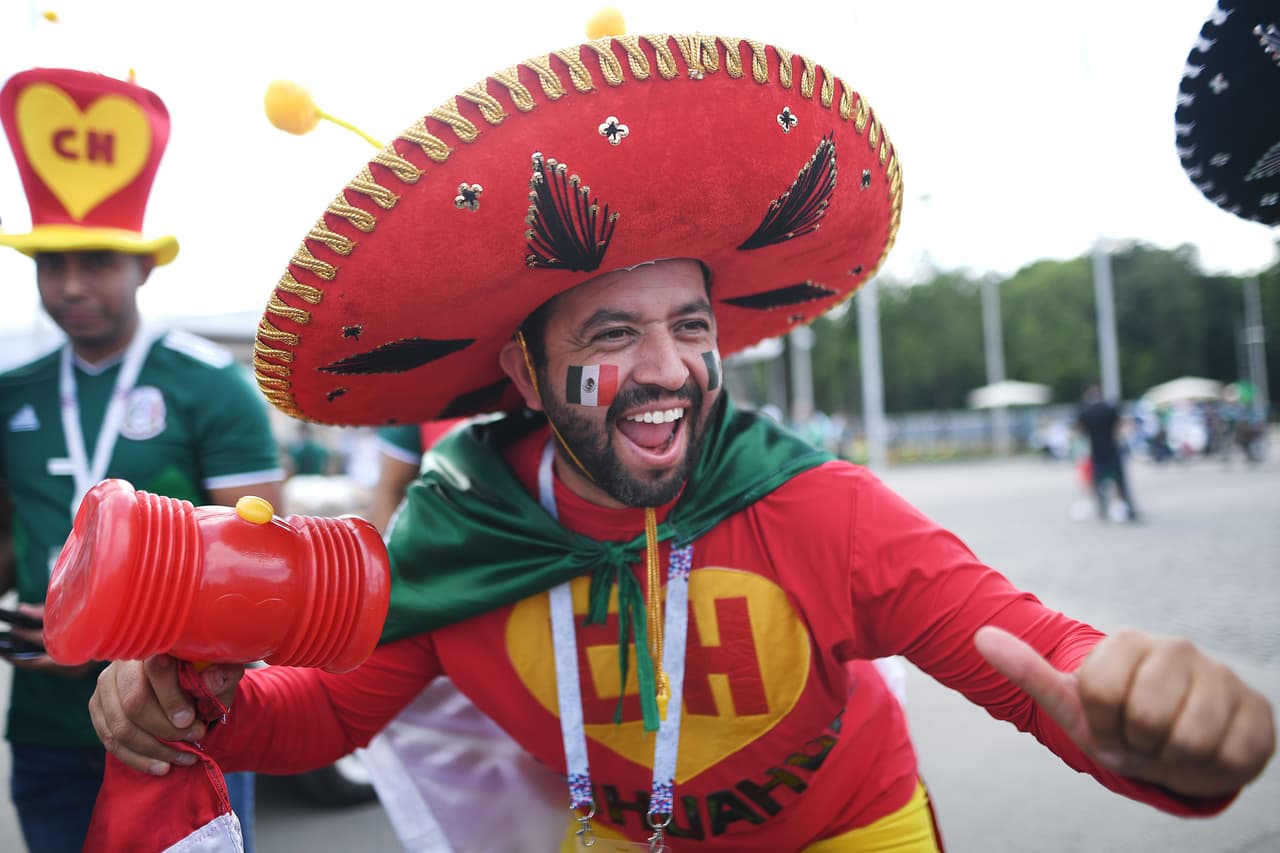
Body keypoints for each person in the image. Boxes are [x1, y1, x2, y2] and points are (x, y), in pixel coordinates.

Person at [87, 31, 1274, 852]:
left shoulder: (817, 506)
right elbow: (320, 716)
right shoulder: (460, 530)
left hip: (852, 832)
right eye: (611, 333)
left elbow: (1044, 666)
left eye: (690, 327)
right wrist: (186, 703)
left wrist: (1161, 726)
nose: (664, 370)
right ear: (524, 373)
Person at [0, 68, 283, 853]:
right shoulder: (10, 390)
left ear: (144, 267)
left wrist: (93, 640)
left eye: (95, 261)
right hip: (48, 735)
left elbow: (262, 583)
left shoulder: (210, 386)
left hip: (179, 731)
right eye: (50, 264)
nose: (69, 285)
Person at [1075, 385, 1139, 522]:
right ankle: (1126, 508)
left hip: (1096, 451)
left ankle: (1102, 508)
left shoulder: (1086, 412)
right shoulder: (1109, 409)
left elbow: (1079, 429)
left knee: (1098, 481)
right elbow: (1120, 425)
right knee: (1119, 481)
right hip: (1112, 449)